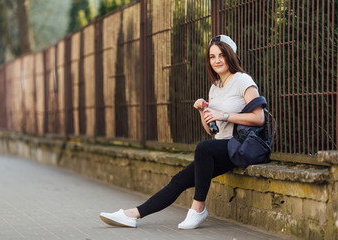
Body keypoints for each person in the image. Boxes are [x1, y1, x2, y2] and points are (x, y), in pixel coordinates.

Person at [99, 35, 265, 229]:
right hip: (222, 146)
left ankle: (198, 208)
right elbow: (213, 131)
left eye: (221, 55)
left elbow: (259, 118)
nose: (217, 60)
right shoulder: (215, 87)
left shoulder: (243, 80)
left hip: (241, 146)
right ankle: (131, 215)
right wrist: (204, 111)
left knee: (203, 148)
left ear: (231, 56)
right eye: (212, 57)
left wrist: (224, 114)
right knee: (179, 180)